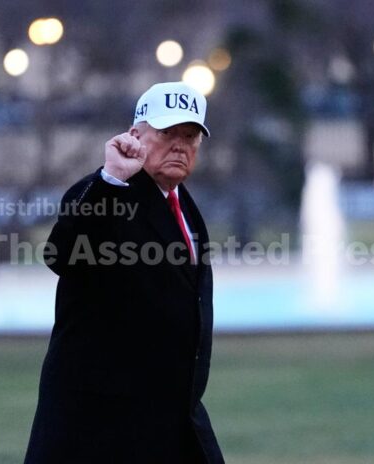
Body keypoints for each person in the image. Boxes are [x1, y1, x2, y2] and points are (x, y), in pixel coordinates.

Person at [24, 82, 225, 463]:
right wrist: (111, 179)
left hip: (170, 415)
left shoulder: (183, 203)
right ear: (135, 135)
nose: (179, 145)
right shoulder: (106, 193)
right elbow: (61, 255)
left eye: (190, 135)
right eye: (167, 133)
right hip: (100, 423)